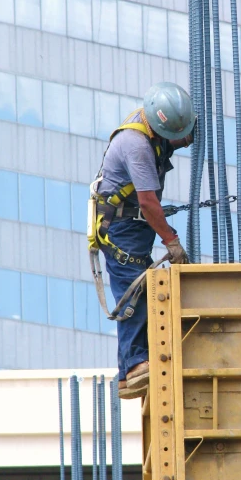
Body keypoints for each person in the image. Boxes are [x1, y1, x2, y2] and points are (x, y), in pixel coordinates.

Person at [92, 82, 196, 400]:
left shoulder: (152, 127)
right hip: (122, 227)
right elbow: (149, 203)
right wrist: (172, 241)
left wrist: (185, 133)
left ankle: (130, 369)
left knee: (141, 289)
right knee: (134, 291)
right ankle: (134, 366)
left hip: (132, 222)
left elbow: (173, 137)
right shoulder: (135, 145)